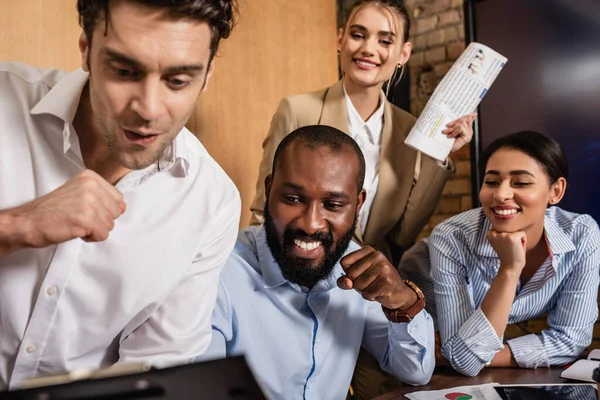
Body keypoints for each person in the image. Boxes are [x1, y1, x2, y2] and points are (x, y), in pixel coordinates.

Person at [0, 0, 240, 390]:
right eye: (125, 71)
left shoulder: (211, 203)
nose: (148, 109)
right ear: (86, 50)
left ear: (207, 74)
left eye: (178, 80)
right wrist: (15, 225)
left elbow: (151, 375)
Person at [248, 1, 474, 396]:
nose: (368, 48)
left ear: (403, 52)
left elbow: (404, 230)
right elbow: (263, 210)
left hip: (367, 292)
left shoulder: (411, 130)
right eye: (358, 34)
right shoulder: (297, 109)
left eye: (385, 40)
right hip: (296, 281)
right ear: (340, 40)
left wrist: (439, 156)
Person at [198, 125, 435, 400]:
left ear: (357, 205)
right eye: (292, 199)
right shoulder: (217, 272)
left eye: (333, 205)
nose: (310, 224)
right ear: (268, 189)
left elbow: (415, 370)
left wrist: (404, 302)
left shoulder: (357, 267)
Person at [429, 131, 600, 377]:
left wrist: (482, 355)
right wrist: (510, 269)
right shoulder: (450, 238)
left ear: (556, 191)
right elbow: (464, 362)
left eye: (521, 182)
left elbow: (571, 339)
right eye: (491, 181)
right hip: (417, 334)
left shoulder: (581, 233)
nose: (501, 194)